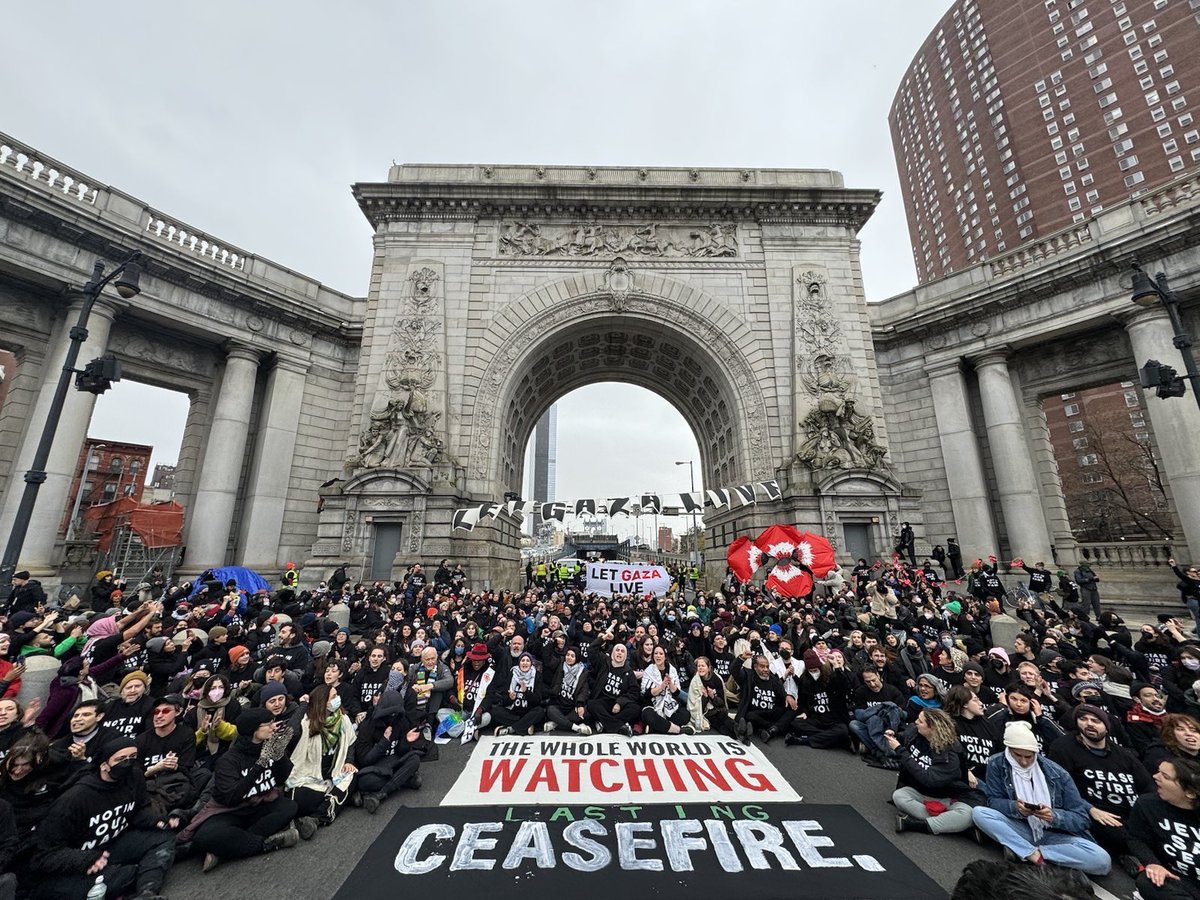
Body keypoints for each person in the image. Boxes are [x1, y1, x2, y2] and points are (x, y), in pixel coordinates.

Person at [30, 733, 176, 900]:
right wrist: (85, 859)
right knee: (122, 877)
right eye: (121, 759)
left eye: (133, 757)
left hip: (112, 845)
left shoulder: (134, 777)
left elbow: (138, 811)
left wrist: (157, 820)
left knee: (163, 838)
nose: (128, 763)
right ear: (104, 765)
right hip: (79, 860)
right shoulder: (74, 799)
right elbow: (43, 856)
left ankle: (146, 893)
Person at [972, 721, 1111, 875]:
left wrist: (1054, 816)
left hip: (1055, 834)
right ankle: (1031, 854)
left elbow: (1081, 818)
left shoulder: (1058, 773)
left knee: (1102, 860)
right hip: (1020, 826)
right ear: (1009, 750)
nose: (1024, 762)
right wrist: (1015, 808)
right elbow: (993, 801)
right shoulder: (996, 763)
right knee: (980, 813)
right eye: (1018, 755)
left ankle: (1031, 852)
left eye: (1029, 757)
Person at [182, 708, 300, 871]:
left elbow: (280, 779)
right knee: (205, 837)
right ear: (253, 730)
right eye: (268, 724)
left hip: (259, 804)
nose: (273, 727)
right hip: (231, 810)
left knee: (289, 806)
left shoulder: (268, 747)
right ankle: (264, 845)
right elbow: (231, 797)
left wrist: (279, 757)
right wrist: (260, 765)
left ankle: (227, 850)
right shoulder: (229, 760)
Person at [1047, 703, 1152, 873]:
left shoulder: (1124, 755)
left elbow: (1147, 787)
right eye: (1083, 719)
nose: (1089, 724)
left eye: (1095, 720)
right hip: (1094, 813)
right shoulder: (1063, 747)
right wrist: (1090, 808)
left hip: (1131, 815)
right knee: (1119, 836)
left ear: (1107, 727)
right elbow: (1059, 787)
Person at [286, 683, 357, 833]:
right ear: (322, 702)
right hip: (308, 778)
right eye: (333, 697)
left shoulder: (343, 719)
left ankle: (316, 819)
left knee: (352, 776)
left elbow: (350, 743)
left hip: (332, 774)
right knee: (302, 798)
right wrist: (303, 706)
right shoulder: (306, 723)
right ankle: (338, 801)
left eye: (337, 695)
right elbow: (290, 733)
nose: (337, 699)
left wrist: (349, 761)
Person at [890, 708, 974, 834]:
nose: (916, 722)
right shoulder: (916, 732)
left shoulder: (950, 753)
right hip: (920, 792)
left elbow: (930, 779)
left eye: (921, 721)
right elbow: (904, 735)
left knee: (967, 815)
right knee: (899, 796)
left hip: (947, 797)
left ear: (932, 728)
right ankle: (948, 823)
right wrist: (893, 734)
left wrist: (899, 750)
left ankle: (919, 825)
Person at [1127, 757, 1200, 899]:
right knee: (1149, 882)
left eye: (1165, 777)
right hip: (1177, 879)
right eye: (1158, 772)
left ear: (1190, 793)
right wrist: (1153, 863)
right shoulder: (1147, 805)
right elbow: (1135, 839)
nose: (1155, 777)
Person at [587, 644, 640, 736]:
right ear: (613, 652)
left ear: (625, 655)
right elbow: (591, 650)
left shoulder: (629, 672)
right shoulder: (604, 662)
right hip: (602, 702)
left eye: (622, 651)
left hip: (618, 704)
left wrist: (620, 703)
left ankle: (604, 723)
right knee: (591, 704)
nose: (619, 653)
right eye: (617, 650)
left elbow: (634, 692)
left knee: (636, 709)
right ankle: (620, 728)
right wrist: (603, 638)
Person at [641, 645, 693, 735]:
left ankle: (657, 727)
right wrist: (661, 686)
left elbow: (677, 693)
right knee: (647, 715)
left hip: (669, 704)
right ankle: (678, 730)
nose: (658, 656)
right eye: (656, 653)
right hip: (653, 705)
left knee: (685, 714)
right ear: (653, 656)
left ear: (665, 656)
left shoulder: (672, 670)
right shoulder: (648, 670)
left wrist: (670, 684)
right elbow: (646, 694)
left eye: (661, 653)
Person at [493, 652, 545, 736]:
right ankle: (524, 726)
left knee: (540, 711)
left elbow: (537, 700)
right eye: (522, 660)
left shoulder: (537, 675)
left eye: (527, 661)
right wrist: (510, 698)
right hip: (513, 712)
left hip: (528, 711)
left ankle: (510, 729)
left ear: (531, 663)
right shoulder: (512, 673)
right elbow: (504, 701)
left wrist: (526, 692)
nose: (525, 663)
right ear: (519, 663)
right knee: (495, 711)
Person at [545, 646, 591, 735]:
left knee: (585, 714)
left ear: (577, 658)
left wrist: (580, 704)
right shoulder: (560, 664)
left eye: (572, 656)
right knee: (550, 710)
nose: (569, 657)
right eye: (568, 655)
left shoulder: (583, 672)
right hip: (558, 704)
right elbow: (547, 658)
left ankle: (557, 723)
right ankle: (575, 727)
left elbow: (584, 690)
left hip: (572, 706)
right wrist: (552, 643)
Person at [687, 656, 736, 738]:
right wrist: (705, 697)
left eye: (703, 666)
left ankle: (739, 730)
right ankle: (736, 735)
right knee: (716, 722)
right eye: (699, 666)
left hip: (718, 708)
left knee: (722, 716)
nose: (700, 668)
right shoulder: (695, 682)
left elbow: (722, 703)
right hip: (706, 712)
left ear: (709, 668)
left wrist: (712, 697)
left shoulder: (716, 679)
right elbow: (695, 706)